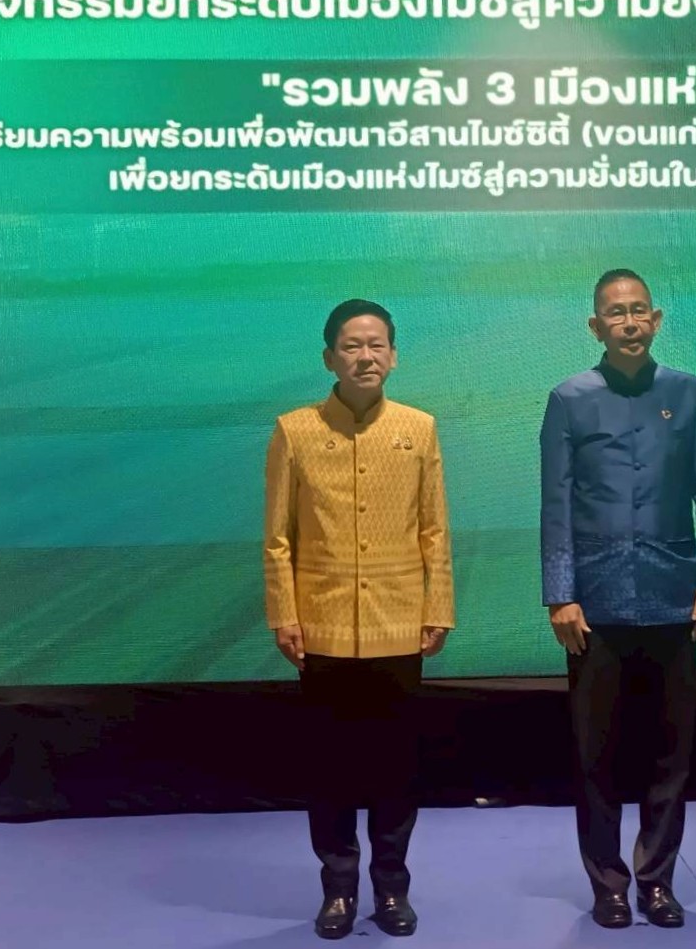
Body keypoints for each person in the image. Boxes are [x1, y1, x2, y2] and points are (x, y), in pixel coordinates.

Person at [540, 269, 696, 930]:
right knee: (595, 755)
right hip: (593, 604)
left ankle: (656, 881)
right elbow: (556, 502)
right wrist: (559, 594)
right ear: (595, 326)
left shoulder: (690, 392)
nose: (628, 322)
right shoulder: (568, 399)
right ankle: (608, 883)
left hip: (674, 596)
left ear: (656, 319)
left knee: (669, 754)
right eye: (614, 313)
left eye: (638, 310)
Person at [264, 299, 455, 939]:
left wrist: (438, 607)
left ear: (393, 356)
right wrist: (284, 613)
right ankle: (338, 889)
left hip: (398, 625)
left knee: (396, 769)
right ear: (329, 358)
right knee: (330, 770)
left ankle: (392, 889)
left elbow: (435, 530)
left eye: (376, 345)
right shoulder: (294, 431)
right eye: (351, 346)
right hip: (319, 627)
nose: (365, 356)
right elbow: (279, 538)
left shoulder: (418, 428)